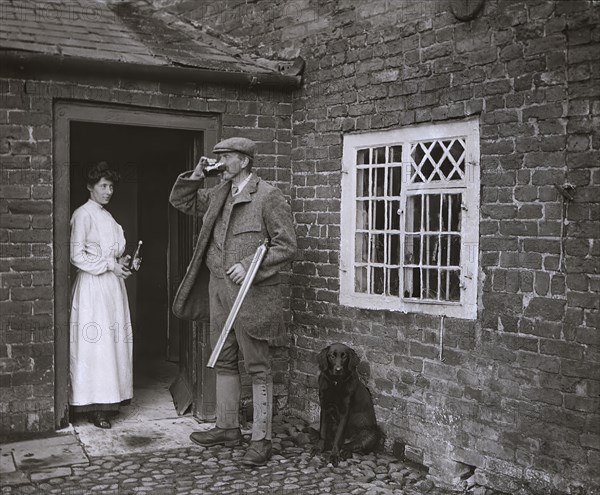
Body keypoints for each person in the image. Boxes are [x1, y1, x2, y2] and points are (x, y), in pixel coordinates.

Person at [169, 137, 296, 466]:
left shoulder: (268, 196)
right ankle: (227, 427)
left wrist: (251, 265)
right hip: (218, 288)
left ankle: (262, 440)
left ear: (244, 161)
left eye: (225, 157)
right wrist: (196, 175)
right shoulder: (217, 194)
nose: (220, 162)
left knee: (257, 364)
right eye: (218, 157)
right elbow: (181, 202)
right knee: (223, 357)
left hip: (252, 293)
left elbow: (286, 246)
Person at [69, 163, 134, 429]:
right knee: (95, 344)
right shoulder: (83, 215)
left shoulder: (108, 217)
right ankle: (92, 405)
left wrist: (124, 261)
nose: (109, 191)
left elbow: (114, 253)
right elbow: (76, 256)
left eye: (111, 186)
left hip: (112, 288)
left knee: (113, 342)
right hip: (92, 288)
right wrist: (109, 265)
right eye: (103, 186)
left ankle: (110, 400)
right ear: (90, 187)